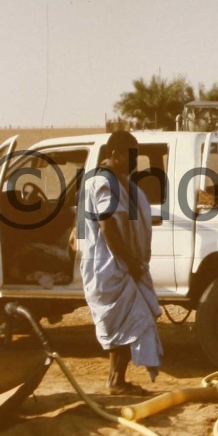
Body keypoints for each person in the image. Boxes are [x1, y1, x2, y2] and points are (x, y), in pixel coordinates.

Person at [81, 130, 163, 395]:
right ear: (114, 154)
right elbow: (108, 228)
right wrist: (130, 262)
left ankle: (117, 379)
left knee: (131, 320)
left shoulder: (120, 182)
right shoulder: (104, 183)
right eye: (130, 156)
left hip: (122, 266)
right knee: (126, 321)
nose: (134, 162)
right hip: (110, 267)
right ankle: (115, 382)